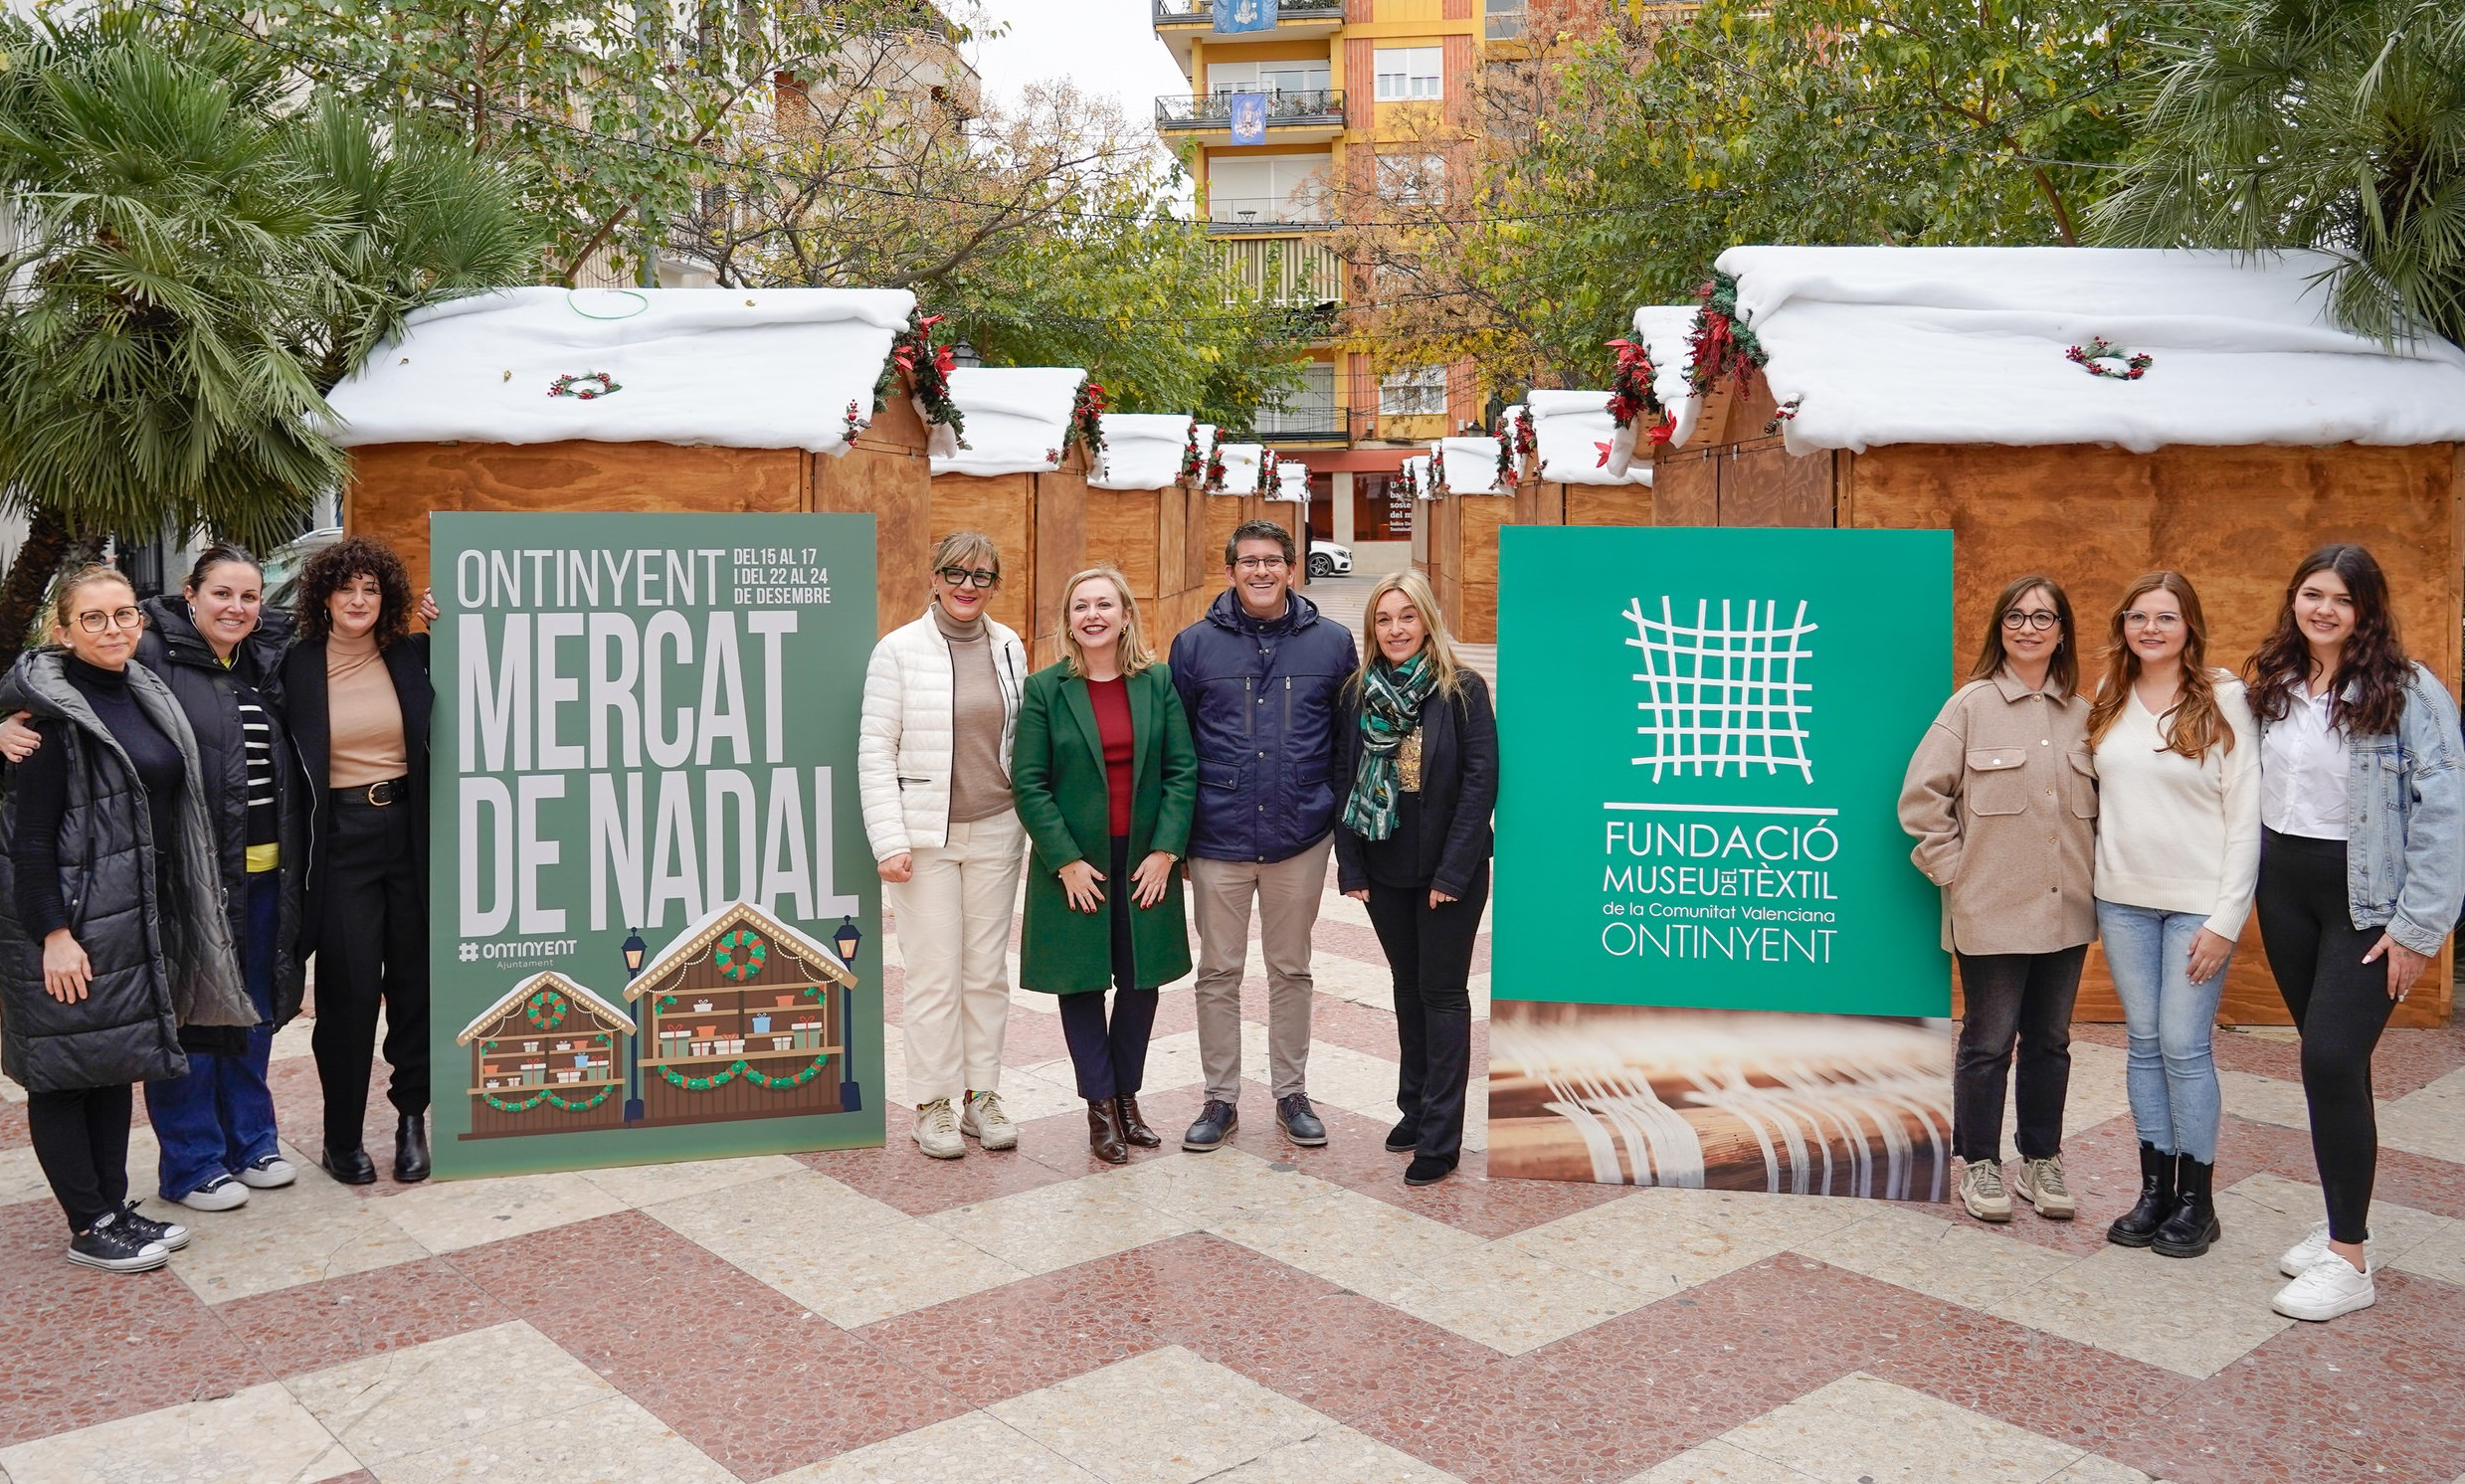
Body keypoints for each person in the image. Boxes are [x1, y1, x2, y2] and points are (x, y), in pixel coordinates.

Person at [0, 547, 309, 1212]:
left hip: (263, 877)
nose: (236, 608)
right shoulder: (147, 655)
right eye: (221, 594)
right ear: (188, 595)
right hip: (187, 881)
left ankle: (252, 1141)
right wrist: (4, 721)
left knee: (252, 1012)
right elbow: (51, 681)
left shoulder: (269, 659)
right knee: (188, 1021)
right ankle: (193, 1162)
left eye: (250, 596)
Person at [2245, 544, 2463, 1322]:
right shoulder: (2274, 681)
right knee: (2333, 1065)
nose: (2324, 610)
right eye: (2312, 594)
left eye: (2341, 598)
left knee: (2331, 1058)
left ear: (2367, 608)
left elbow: (2445, 816)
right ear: (2294, 601)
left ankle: (2350, 1262)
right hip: (2285, 892)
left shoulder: (2408, 692)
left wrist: (2416, 930)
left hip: (2365, 903)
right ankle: (2344, 1219)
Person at [1900, 574, 2096, 1224]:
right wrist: (1956, 875)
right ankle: (1979, 1164)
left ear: (2062, 631)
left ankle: (2042, 1160)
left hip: (2066, 913)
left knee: (2051, 1042)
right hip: (1991, 914)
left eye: (2043, 617)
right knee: (1988, 1042)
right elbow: (1921, 800)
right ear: (1999, 629)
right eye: (2016, 616)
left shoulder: (2085, 713)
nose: (2029, 627)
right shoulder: (1971, 706)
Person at [1169, 519, 1358, 1152]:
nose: (1261, 572)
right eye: (1248, 562)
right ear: (1229, 572)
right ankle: (1220, 1099)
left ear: (1292, 569)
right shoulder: (1193, 647)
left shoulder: (1333, 644)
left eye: (1273, 561)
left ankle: (1291, 1093)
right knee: (1218, 970)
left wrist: (1331, 817)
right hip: (1217, 835)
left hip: (1298, 833)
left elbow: (1345, 742)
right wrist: (1179, 838)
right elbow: (1179, 748)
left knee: (1291, 969)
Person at [2086, 572, 2258, 1258]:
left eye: (2166, 617)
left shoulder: (2224, 699)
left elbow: (2246, 820)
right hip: (2123, 899)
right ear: (2123, 625)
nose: (2150, 629)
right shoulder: (2107, 697)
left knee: (2186, 1048)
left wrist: (2226, 921)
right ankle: (2153, 1189)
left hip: (2197, 907)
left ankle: (2197, 1202)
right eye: (2138, 617)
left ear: (2190, 625)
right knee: (2145, 1042)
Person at [1011, 568, 1196, 1163]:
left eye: (1104, 604)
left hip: (1145, 861)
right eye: (1080, 605)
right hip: (1076, 864)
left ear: (1124, 615)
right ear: (1069, 619)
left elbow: (1181, 771)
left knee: (1142, 984)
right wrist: (1063, 860)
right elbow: (1030, 784)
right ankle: (1099, 1108)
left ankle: (1127, 1099)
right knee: (1082, 983)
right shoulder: (1045, 690)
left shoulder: (1158, 682)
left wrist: (1167, 851)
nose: (1093, 615)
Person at [857, 531, 1029, 1160]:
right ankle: (931, 1103)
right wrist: (889, 839)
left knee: (986, 973)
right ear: (933, 577)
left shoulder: (1009, 646)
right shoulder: (897, 651)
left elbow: (1020, 740)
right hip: (925, 838)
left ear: (994, 585)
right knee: (933, 974)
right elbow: (875, 750)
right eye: (956, 573)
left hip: (998, 829)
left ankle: (981, 1096)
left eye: (982, 576)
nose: (967, 586)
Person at [1335, 572, 1496, 1188]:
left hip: (1448, 869)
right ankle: (1414, 1107)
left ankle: (1441, 1136)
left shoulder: (1463, 691)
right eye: (1384, 619)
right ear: (1372, 628)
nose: (1396, 629)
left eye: (1407, 617)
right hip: (1384, 864)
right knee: (1406, 988)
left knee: (1443, 994)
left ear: (1427, 620)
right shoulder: (1357, 694)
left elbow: (1480, 783)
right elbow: (1341, 778)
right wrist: (1351, 865)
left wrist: (1453, 873)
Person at [283, 537, 434, 1186]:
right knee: (346, 994)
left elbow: (502, 662)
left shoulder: (411, 655)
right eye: (347, 587)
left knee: (414, 984)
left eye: (371, 588)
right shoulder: (293, 663)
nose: (359, 599)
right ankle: (342, 1136)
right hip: (340, 839)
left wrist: (449, 622)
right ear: (324, 594)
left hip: (413, 833)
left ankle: (409, 1119)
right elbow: (190, 656)